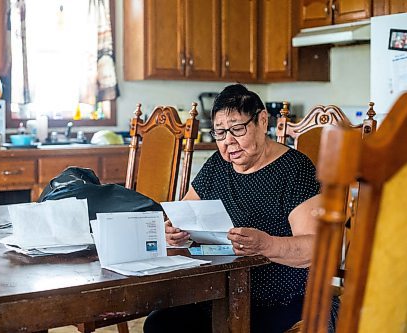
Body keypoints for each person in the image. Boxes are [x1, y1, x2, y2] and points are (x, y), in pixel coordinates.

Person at [143, 84, 338, 333]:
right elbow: (182, 213)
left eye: (237, 129)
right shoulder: (217, 166)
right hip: (218, 291)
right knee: (161, 324)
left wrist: (266, 245)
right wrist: (173, 232)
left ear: (262, 120)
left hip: (280, 298)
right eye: (220, 133)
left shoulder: (294, 169)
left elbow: (317, 248)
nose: (229, 142)